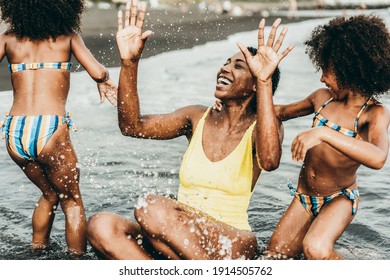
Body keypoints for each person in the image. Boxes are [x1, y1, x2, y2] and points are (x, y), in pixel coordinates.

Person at [86, 0, 293, 259]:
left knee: (150, 207)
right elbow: (132, 126)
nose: (225, 68)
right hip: (181, 235)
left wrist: (264, 82)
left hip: (232, 240)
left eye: (238, 66)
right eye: (226, 62)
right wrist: (130, 62)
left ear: (255, 84)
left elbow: (270, 161)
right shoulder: (196, 117)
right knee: (101, 225)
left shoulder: (264, 127)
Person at [265, 14, 390, 260]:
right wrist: (245, 98)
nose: (322, 78)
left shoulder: (373, 114)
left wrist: (323, 133)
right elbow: (277, 112)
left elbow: (378, 157)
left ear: (349, 68)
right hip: (304, 197)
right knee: (274, 256)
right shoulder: (322, 98)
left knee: (315, 247)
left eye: (326, 69)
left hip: (340, 199)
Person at [0, 0, 117, 256]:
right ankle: (76, 262)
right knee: (72, 201)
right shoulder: (68, 37)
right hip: (50, 129)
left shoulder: (7, 39)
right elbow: (98, 72)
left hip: (15, 131)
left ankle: (37, 249)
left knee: (49, 194)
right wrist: (105, 80)